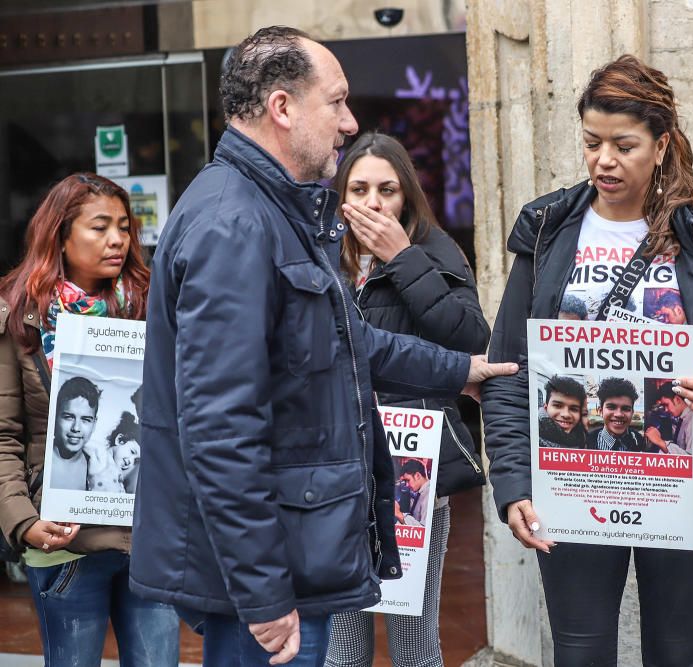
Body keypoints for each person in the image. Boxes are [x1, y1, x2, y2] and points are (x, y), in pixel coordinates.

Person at [129, 26, 515, 667]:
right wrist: (262, 593)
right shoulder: (234, 225)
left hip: (287, 560)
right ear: (283, 108)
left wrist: (456, 370)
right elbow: (220, 429)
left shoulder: (272, 212)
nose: (349, 122)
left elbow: (345, 339)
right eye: (336, 102)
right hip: (266, 586)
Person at [482, 55, 693, 665]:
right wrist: (513, 484)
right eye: (592, 144)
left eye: (624, 145)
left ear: (662, 143)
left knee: (675, 651)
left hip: (680, 483)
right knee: (582, 651)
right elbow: (509, 370)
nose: (604, 162)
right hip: (571, 483)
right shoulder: (547, 230)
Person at [324, 130, 490, 667]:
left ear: (407, 198)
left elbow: (469, 340)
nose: (373, 204)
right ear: (340, 195)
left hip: (412, 464)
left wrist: (402, 258)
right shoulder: (320, 254)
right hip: (338, 466)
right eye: (360, 189)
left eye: (387, 190)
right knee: (342, 639)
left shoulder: (435, 250)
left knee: (412, 636)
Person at [0, 172, 179, 666]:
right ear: (60, 233)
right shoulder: (20, 317)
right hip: (64, 544)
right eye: (100, 227)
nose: (118, 239)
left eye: (124, 226)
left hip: (148, 540)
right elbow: (3, 436)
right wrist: (25, 523)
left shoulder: (152, 307)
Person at [50, 375, 101, 490]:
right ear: (55, 416)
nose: (76, 428)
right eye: (69, 417)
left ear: (94, 424)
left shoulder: (97, 471)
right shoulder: (41, 460)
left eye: (86, 420)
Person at [584, 377, 645, 452]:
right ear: (600, 411)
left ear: (632, 412)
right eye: (611, 407)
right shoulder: (585, 443)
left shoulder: (641, 443)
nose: (619, 414)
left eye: (625, 409)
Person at [644, 380, 693, 455]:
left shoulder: (692, 421)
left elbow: (691, 459)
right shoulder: (683, 419)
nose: (666, 410)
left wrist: (660, 442)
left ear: (677, 400)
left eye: (666, 405)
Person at [538, 375, 588, 448]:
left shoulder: (585, 439)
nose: (566, 415)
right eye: (558, 406)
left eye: (573, 409)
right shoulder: (529, 434)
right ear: (546, 408)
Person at [394, 459, 431, 527]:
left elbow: (424, 530)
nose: (407, 485)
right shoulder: (420, 493)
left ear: (417, 475)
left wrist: (399, 514)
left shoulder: (428, 494)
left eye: (408, 480)